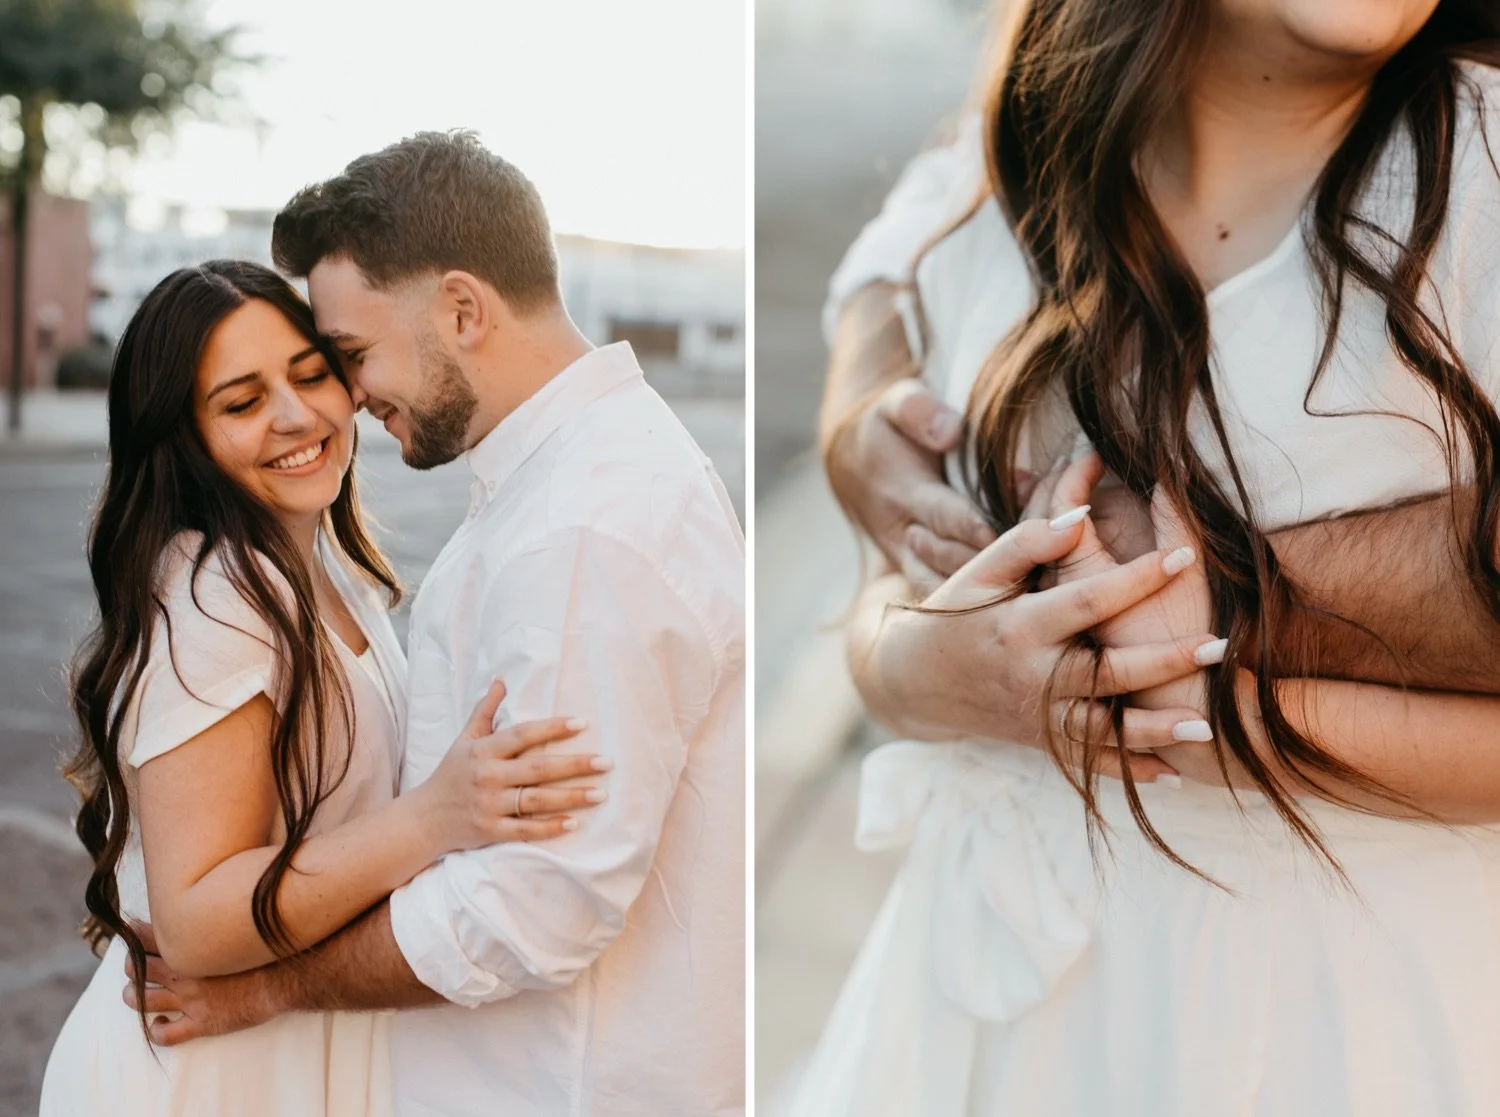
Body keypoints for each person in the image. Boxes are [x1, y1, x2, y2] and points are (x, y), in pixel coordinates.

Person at [797, 1, 1500, 1114]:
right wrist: (903, 668)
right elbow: (902, 584)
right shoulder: (1007, 177)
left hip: (1342, 1027)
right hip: (987, 1010)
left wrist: (1208, 712)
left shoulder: (1483, 172)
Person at [119, 133, 747, 1117]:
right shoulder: (563, 491)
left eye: (347, 357)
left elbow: (533, 906)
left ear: (463, 308)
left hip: (554, 1084)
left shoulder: (577, 529)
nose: (351, 398)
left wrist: (275, 985)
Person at [39, 259, 608, 1116]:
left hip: (288, 1055)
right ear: (180, 437)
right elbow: (194, 918)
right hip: (206, 1082)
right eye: (241, 402)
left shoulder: (317, 565)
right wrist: (434, 818)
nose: (296, 415)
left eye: (312, 374)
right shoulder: (216, 595)